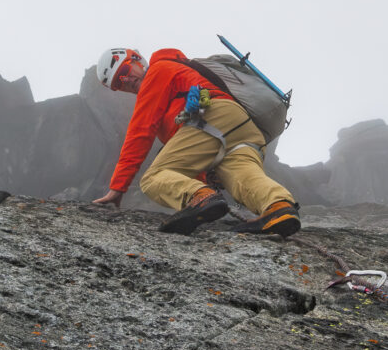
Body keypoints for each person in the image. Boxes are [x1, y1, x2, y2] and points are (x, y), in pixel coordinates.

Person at [91, 46, 301, 237]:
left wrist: (117, 188)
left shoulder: (158, 70)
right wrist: (204, 183)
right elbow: (192, 157)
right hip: (242, 128)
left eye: (125, 72)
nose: (126, 82)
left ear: (138, 61)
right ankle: (279, 206)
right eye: (118, 84)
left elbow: (140, 131)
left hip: (212, 119)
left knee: (153, 178)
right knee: (242, 176)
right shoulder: (176, 72)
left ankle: (200, 197)